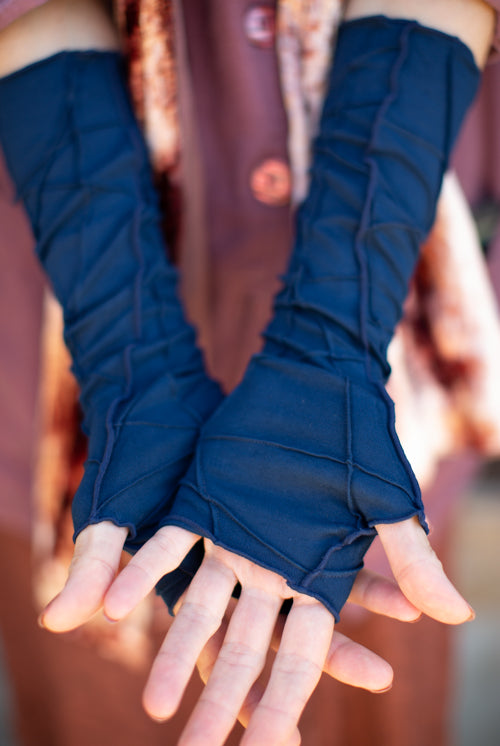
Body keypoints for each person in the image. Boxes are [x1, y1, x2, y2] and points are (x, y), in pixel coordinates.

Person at [0, 1, 498, 745]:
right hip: (61, 337)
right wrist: (128, 355)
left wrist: (334, 333)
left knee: (367, 661)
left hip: (390, 348)